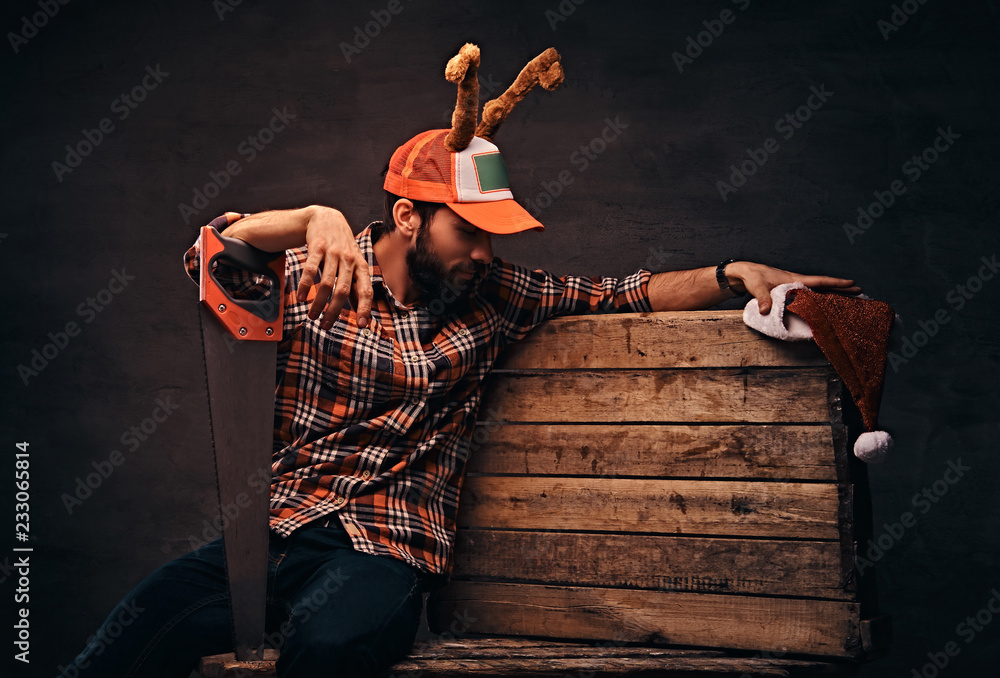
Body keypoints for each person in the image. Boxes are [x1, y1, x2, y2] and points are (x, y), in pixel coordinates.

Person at [57, 56, 860, 678]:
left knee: (331, 649)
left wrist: (732, 273)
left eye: (492, 234)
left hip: (387, 550)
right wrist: (311, 216)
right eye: (466, 230)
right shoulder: (315, 270)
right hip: (274, 534)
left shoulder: (497, 294)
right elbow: (207, 258)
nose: (483, 250)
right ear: (407, 215)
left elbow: (627, 292)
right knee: (127, 638)